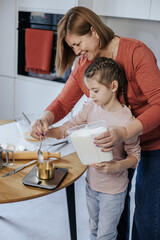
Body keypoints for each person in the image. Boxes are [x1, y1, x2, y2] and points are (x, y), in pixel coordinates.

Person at [30, 6, 160, 240]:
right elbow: (62, 103)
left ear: (94, 31)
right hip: (116, 147)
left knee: (147, 217)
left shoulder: (137, 54)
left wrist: (124, 132)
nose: (77, 52)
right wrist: (45, 118)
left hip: (153, 142)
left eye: (78, 44)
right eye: (72, 47)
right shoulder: (84, 65)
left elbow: (159, 105)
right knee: (114, 214)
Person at [46, 57, 140, 240]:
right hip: (91, 184)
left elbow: (135, 156)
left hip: (113, 190)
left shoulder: (128, 121)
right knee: (94, 229)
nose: (91, 95)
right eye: (89, 90)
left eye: (95, 90)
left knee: (106, 235)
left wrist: (116, 167)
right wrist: (46, 131)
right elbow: (69, 127)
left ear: (113, 87)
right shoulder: (90, 107)